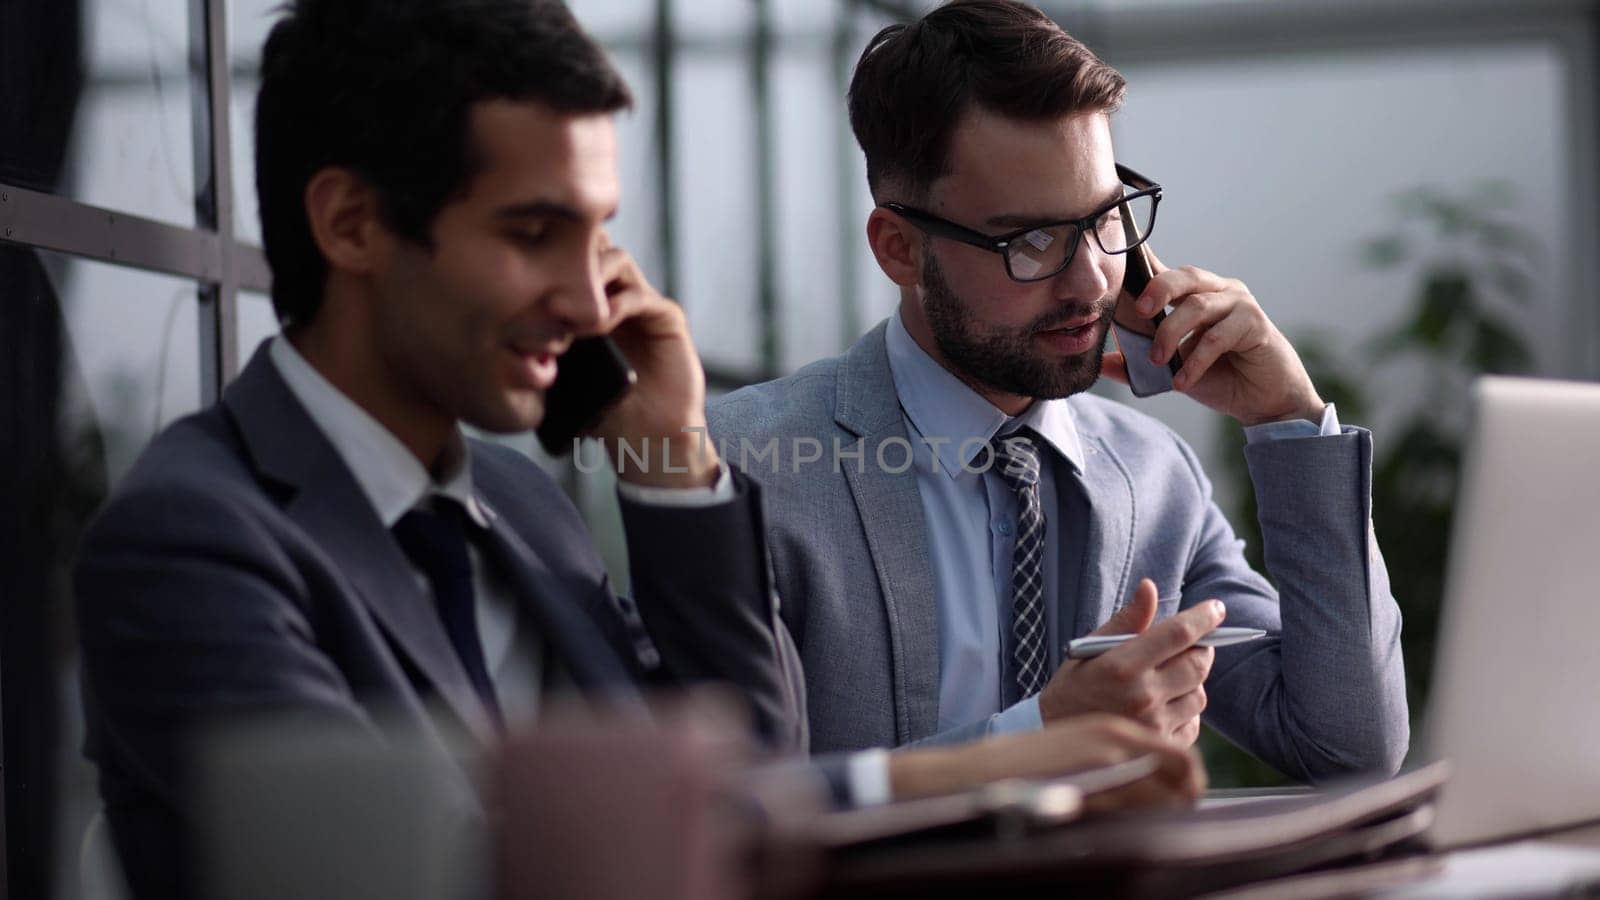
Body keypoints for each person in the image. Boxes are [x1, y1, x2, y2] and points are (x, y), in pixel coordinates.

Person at [73, 2, 1204, 897]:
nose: (588, 296)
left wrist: (673, 467)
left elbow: (743, 787)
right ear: (352, 225)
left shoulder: (520, 509)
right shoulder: (190, 542)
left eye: (599, 235)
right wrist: (964, 771)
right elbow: (479, 870)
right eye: (532, 234)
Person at [707, 0, 1409, 778]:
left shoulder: (1153, 475)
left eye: (1108, 218)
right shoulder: (746, 469)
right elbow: (718, 810)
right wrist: (1034, 739)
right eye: (1031, 240)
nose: (1090, 282)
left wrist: (1288, 420)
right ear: (899, 249)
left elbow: (1348, 745)